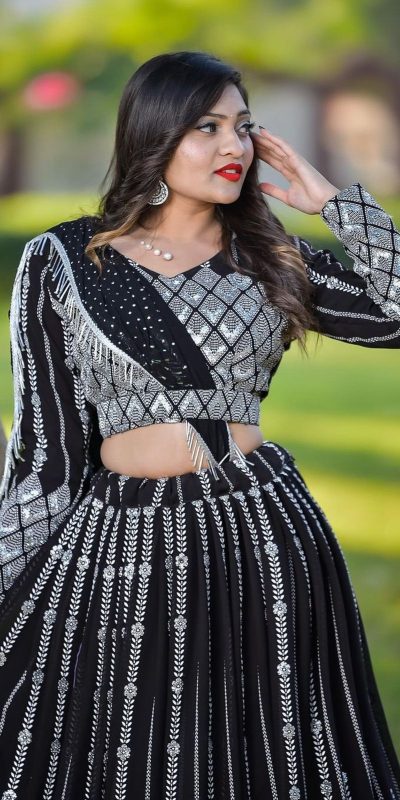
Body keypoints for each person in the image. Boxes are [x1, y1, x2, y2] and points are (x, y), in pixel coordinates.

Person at [0, 50, 399, 800]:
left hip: (261, 538)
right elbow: (46, 454)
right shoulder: (66, 261)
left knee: (269, 753)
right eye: (207, 127)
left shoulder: (272, 258)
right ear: (154, 134)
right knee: (135, 748)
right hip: (126, 543)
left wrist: (334, 202)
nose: (233, 146)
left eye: (244, 127)